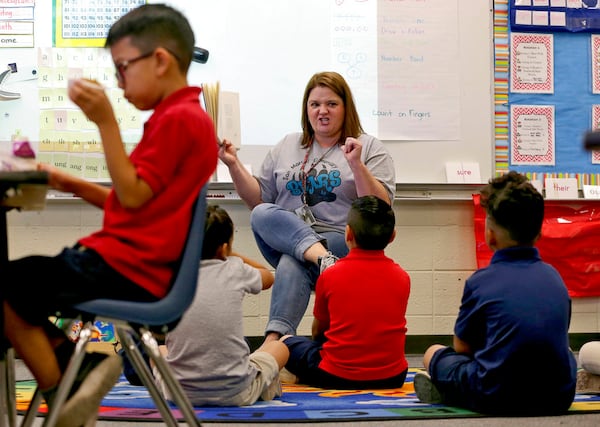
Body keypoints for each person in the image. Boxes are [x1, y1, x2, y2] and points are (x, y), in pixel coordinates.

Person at [2, 4, 218, 426]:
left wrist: (104, 122)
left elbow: (133, 198)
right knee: (17, 291)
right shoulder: (182, 117)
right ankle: (77, 369)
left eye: (122, 69)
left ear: (159, 60)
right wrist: (72, 183)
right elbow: (135, 202)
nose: (119, 83)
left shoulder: (177, 120)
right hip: (130, 263)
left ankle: (64, 395)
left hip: (128, 269)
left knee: (9, 288)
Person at [218, 71, 395, 345]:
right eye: (315, 105)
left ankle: (274, 342)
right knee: (262, 213)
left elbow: (380, 209)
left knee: (293, 260)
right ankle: (320, 258)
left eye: (331, 104)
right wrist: (233, 164)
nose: (322, 111)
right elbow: (258, 200)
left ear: (345, 107)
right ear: (306, 109)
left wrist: (356, 165)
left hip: (342, 238)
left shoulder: (368, 146)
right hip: (292, 238)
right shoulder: (287, 145)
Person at [414, 171, 577, 416]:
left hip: (496, 395)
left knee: (433, 353)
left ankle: (449, 392)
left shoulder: (481, 281)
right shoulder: (554, 277)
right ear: (539, 232)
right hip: (558, 395)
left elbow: (462, 347)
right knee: (564, 357)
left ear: (489, 234)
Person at [148, 204, 290, 406]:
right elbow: (268, 277)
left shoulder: (171, 273)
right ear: (224, 247)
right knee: (279, 347)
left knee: (159, 351)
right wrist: (231, 255)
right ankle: (265, 385)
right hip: (236, 392)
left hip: (179, 393)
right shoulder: (234, 268)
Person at [280, 195, 410, 389]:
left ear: (348, 234)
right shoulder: (402, 277)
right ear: (393, 236)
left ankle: (296, 374)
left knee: (286, 342)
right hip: (393, 376)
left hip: (335, 376)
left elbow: (319, 331)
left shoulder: (331, 274)